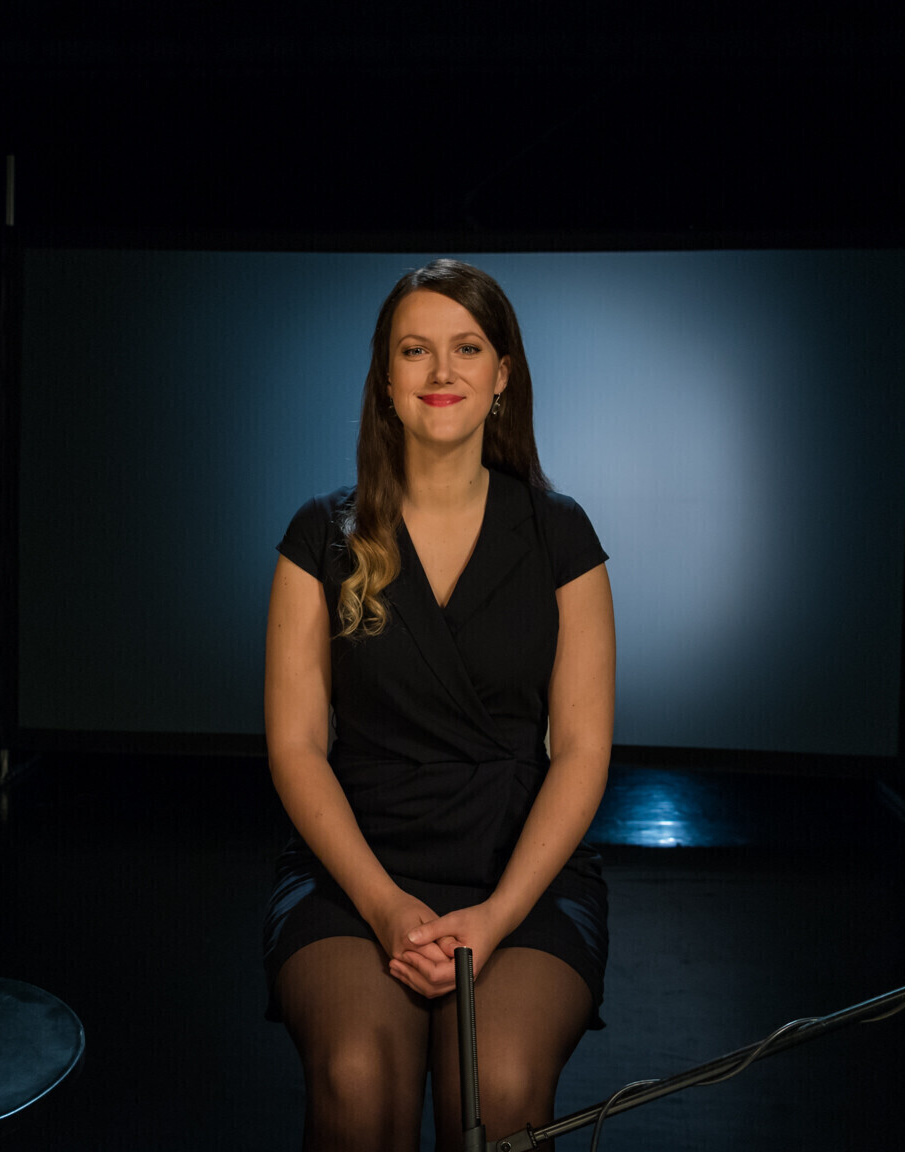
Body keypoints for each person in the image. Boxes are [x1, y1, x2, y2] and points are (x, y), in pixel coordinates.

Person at [261, 259, 616, 1150]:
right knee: (358, 1077)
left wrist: (495, 918)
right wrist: (384, 905)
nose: (441, 371)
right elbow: (297, 746)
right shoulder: (319, 535)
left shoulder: (563, 535)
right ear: (386, 381)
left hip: (521, 876)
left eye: (467, 348)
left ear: (503, 376)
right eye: (415, 350)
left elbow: (581, 751)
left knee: (498, 1083)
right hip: (353, 872)